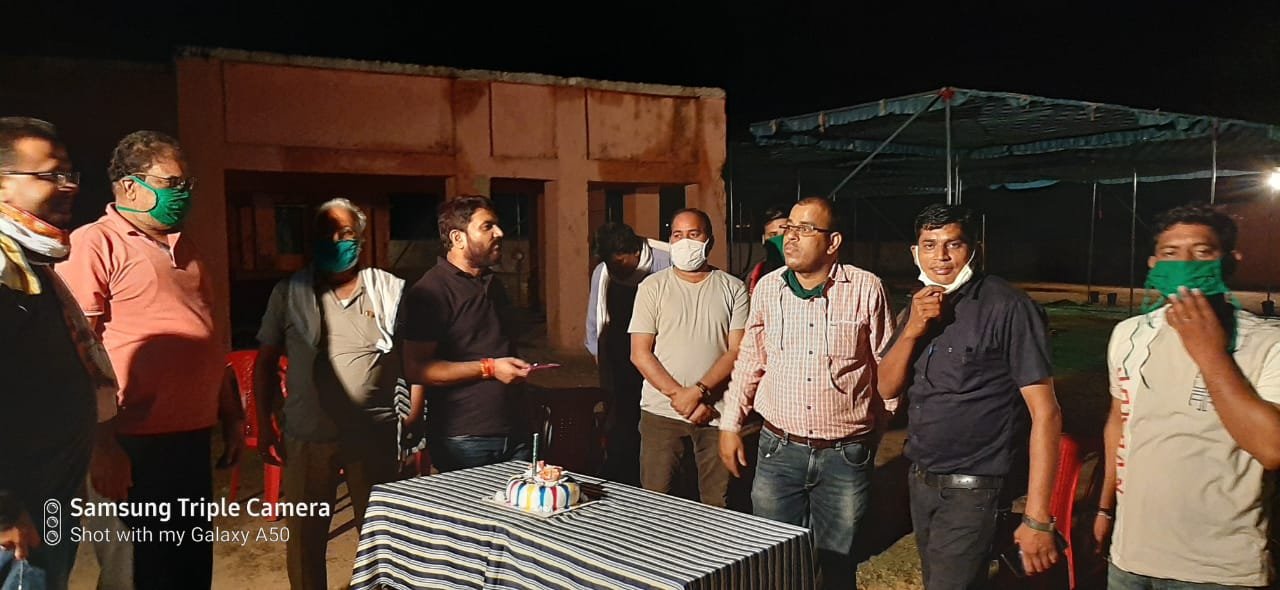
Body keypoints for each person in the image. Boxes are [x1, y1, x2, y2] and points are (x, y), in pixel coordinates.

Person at [56, 130, 243, 590]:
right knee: (136, 574)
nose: (184, 193)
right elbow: (75, 354)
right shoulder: (95, 244)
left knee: (188, 569)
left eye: (187, 184)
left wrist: (231, 413)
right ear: (129, 185)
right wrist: (102, 446)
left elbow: (209, 338)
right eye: (172, 183)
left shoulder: (188, 249)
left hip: (189, 443)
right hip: (129, 445)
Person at [1095, 203, 1280, 589]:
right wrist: (1105, 507)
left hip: (1219, 570)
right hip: (1130, 560)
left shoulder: (1268, 343)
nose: (1185, 263)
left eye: (1202, 252)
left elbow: (1272, 448)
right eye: (1171, 253)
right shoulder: (1129, 335)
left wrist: (1210, 353)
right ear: (1153, 264)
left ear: (1230, 262)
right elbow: (1120, 422)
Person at [877, 203, 1062, 588]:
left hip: (974, 488)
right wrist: (912, 329)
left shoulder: (1008, 307)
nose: (941, 257)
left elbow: (1046, 413)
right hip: (921, 479)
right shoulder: (919, 304)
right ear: (915, 252)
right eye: (929, 245)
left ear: (974, 249)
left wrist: (1038, 516)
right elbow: (886, 387)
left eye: (953, 244)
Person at [719, 196, 894, 590]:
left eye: (804, 229)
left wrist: (873, 433)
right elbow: (751, 360)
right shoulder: (768, 288)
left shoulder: (866, 289)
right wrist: (730, 424)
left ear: (833, 242)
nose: (791, 238)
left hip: (845, 456)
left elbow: (887, 367)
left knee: (837, 564)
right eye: (789, 229)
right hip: (778, 452)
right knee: (774, 562)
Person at [255, 198, 422, 590]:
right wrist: (262, 424)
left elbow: (414, 357)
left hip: (373, 433)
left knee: (381, 535)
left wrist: (414, 413)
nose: (335, 240)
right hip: (308, 435)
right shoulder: (290, 292)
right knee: (305, 539)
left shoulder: (387, 291)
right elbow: (265, 362)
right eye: (326, 232)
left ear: (361, 240)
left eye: (345, 233)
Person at [0, 117, 123, 590]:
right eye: (50, 174)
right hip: (18, 523)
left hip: (50, 498)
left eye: (70, 174)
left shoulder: (29, 263)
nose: (68, 186)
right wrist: (4, 508)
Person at [398, 196, 533, 471]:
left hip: (515, 430)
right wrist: (490, 368)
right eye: (487, 226)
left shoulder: (493, 284)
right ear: (458, 238)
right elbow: (417, 369)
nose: (500, 233)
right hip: (465, 438)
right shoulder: (432, 291)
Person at [628, 209, 748, 506]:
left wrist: (699, 393)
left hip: (716, 413)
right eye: (677, 235)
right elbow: (640, 353)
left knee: (718, 503)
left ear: (709, 241)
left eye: (693, 235)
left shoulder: (734, 288)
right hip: (661, 414)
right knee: (658, 501)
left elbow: (737, 351)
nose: (684, 242)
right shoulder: (652, 287)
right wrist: (679, 397)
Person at [584, 222, 670, 484]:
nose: (616, 269)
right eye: (611, 263)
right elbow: (595, 323)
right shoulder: (604, 273)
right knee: (622, 420)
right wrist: (604, 367)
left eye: (621, 262)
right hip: (620, 354)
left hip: (659, 354)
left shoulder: (666, 262)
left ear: (635, 252)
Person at [745, 204, 788, 294]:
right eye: (773, 235)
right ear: (763, 239)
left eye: (786, 233)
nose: (780, 239)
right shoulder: (755, 275)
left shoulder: (807, 274)